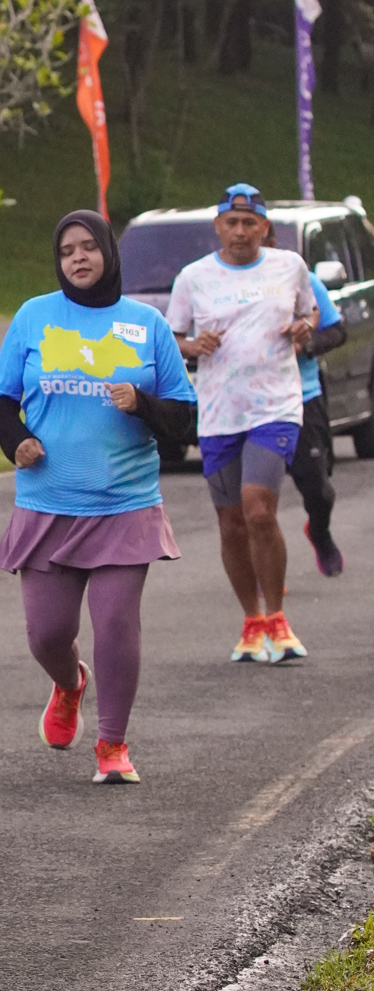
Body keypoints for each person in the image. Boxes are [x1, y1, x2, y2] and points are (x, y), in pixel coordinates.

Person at [0, 210, 195, 784]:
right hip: (47, 502)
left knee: (116, 624)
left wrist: (142, 404)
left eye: (88, 247)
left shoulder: (146, 324)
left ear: (108, 252)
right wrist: (17, 441)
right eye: (66, 251)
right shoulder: (34, 316)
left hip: (124, 502)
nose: (78, 258)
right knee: (46, 634)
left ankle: (113, 744)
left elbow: (183, 418)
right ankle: (69, 682)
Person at [168, 183, 317, 664]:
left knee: (258, 511)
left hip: (275, 406)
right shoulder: (193, 277)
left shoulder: (289, 266)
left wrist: (306, 325)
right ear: (217, 226)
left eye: (249, 223)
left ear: (264, 227)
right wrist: (194, 346)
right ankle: (252, 621)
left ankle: (277, 619)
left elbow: (310, 311)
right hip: (218, 412)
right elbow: (173, 337)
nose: (239, 231)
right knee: (231, 524)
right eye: (231, 222)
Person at [264, 226, 347, 577]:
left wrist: (305, 344)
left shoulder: (302, 279)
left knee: (319, 490)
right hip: (251, 405)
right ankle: (264, 569)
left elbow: (337, 330)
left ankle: (319, 532)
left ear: (271, 242)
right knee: (255, 500)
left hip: (302, 396)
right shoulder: (220, 286)